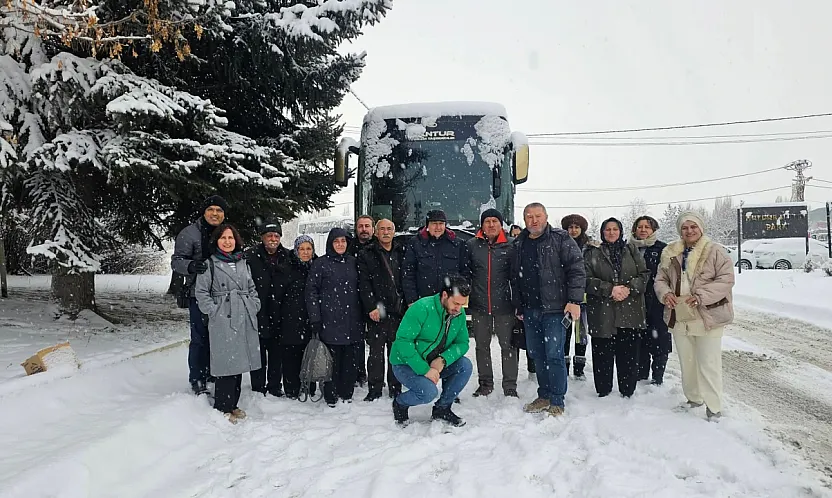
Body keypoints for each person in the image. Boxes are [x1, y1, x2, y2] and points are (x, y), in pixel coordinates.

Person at [655, 212, 734, 420]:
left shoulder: (715, 251)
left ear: (701, 228)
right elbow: (660, 279)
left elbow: (726, 280)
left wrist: (701, 296)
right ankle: (694, 398)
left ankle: (714, 407)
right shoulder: (671, 253)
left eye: (693, 227)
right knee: (687, 361)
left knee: (708, 362)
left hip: (708, 315)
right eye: (685, 228)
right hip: (680, 315)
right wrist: (666, 294)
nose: (689, 231)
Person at [511, 203, 585, 417]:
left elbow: (576, 269)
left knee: (554, 355)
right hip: (530, 310)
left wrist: (574, 299)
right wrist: (518, 304)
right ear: (524, 219)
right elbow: (514, 278)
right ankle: (543, 395)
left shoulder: (561, 239)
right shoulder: (519, 244)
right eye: (529, 217)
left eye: (538, 216)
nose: (534, 220)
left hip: (555, 309)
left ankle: (557, 399)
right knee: (537, 354)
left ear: (546, 217)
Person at [194, 224, 261, 423]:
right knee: (225, 363)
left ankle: (233, 404)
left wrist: (253, 304)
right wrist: (215, 312)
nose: (227, 241)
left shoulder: (242, 262)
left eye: (231, 238)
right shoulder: (210, 264)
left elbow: (251, 287)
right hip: (223, 316)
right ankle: (222, 406)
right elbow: (201, 293)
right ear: (217, 241)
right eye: (223, 238)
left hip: (243, 313)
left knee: (239, 362)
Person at [389, 274, 473, 427]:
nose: (458, 309)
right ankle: (400, 403)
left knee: (465, 366)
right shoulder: (422, 308)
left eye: (462, 305)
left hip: (435, 362)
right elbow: (403, 342)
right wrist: (425, 369)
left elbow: (463, 343)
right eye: (455, 303)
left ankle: (442, 409)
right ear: (445, 295)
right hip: (405, 364)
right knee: (428, 393)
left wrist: (443, 359)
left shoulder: (458, 314)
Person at [584, 218, 650, 398]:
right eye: (607, 229)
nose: (611, 232)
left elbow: (644, 274)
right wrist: (609, 289)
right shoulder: (592, 253)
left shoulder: (631, 250)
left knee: (628, 353)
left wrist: (629, 289)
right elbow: (586, 279)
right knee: (602, 352)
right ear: (602, 232)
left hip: (630, 310)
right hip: (602, 311)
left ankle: (627, 390)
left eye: (615, 229)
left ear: (620, 232)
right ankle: (604, 390)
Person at [171, 194, 228, 395]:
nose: (215, 213)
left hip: (222, 295)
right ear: (204, 212)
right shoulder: (190, 233)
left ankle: (214, 372)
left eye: (219, 210)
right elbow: (176, 261)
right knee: (200, 338)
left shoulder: (226, 233)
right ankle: (197, 377)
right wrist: (191, 266)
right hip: (198, 294)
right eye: (211, 209)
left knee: (219, 337)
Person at [306, 228, 363, 407]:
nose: (340, 245)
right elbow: (311, 291)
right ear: (331, 243)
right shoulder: (321, 264)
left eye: (343, 241)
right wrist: (315, 317)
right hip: (329, 319)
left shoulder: (354, 262)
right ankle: (330, 394)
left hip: (352, 320)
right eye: (336, 241)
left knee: (350, 360)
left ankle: (346, 392)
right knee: (331, 360)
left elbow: (364, 288)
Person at [467, 209, 518, 398]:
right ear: (482, 224)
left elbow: (517, 276)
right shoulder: (472, 245)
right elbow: (467, 272)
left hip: (505, 305)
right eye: (487, 221)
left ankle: (510, 386)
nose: (491, 225)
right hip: (480, 304)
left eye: (494, 221)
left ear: (500, 223)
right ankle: (485, 383)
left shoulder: (512, 245)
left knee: (508, 346)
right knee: (482, 346)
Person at [357, 219, 406, 401]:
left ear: (394, 232)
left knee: (396, 352)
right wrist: (371, 306)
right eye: (382, 229)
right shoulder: (367, 254)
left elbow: (407, 278)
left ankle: (395, 387)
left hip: (398, 311)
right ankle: (375, 388)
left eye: (389, 229)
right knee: (376, 354)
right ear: (376, 233)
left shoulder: (402, 251)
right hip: (377, 312)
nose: (385, 232)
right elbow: (364, 283)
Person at [245, 219, 290, 397]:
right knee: (258, 352)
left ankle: (274, 385)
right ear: (262, 237)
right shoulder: (250, 256)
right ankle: (257, 386)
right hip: (258, 311)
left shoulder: (288, 256)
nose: (273, 238)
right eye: (269, 235)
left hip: (280, 312)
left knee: (277, 353)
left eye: (276, 235)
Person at [629, 216, 671, 385]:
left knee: (659, 338)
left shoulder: (663, 249)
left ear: (654, 229)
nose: (643, 229)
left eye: (647, 227)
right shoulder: (628, 248)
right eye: (640, 226)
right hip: (634, 301)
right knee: (639, 338)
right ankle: (641, 374)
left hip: (656, 301)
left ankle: (657, 376)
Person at [402, 209, 470, 306]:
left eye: (441, 223)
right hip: (423, 301)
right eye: (434, 223)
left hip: (451, 301)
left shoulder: (458, 244)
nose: (438, 227)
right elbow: (408, 274)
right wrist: (412, 300)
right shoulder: (415, 243)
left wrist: (460, 295)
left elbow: (465, 272)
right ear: (427, 225)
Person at [280, 235, 317, 399]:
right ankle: (291, 389)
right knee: (291, 357)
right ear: (295, 250)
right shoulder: (287, 268)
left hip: (311, 320)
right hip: (290, 320)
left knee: (310, 355)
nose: (305, 252)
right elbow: (278, 295)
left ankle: (310, 386)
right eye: (301, 249)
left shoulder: (317, 267)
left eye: (308, 248)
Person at [560, 214, 591, 379]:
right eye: (570, 227)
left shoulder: (590, 248)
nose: (573, 230)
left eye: (576, 227)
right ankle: (563, 368)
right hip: (565, 298)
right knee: (564, 334)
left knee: (581, 335)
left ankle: (579, 368)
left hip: (584, 299)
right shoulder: (560, 245)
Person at [349, 215, 375, 387]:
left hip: (375, 300)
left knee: (375, 341)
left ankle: (376, 375)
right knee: (356, 339)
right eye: (360, 226)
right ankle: (358, 372)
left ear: (373, 229)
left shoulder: (379, 247)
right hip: (353, 299)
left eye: (367, 226)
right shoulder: (349, 247)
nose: (364, 229)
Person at [510, 224, 535, 378]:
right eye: (514, 235)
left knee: (531, 338)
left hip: (532, 300)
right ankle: (514, 372)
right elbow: (512, 277)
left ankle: (533, 370)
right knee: (516, 337)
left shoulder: (530, 249)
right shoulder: (512, 249)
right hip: (515, 299)